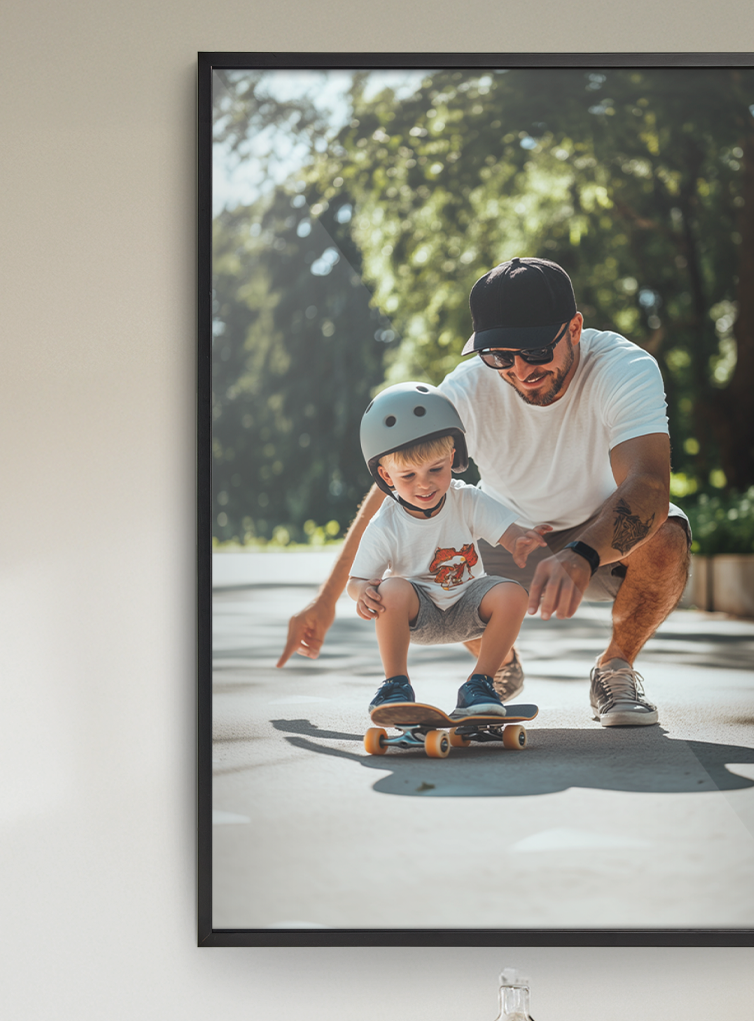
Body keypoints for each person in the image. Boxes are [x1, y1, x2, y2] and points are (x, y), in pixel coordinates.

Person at [279, 257, 691, 728]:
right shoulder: (466, 390)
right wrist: (326, 600)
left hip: (601, 535)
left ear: (575, 329)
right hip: (503, 535)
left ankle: (615, 667)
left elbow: (649, 485)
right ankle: (496, 668)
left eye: (536, 350)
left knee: (666, 537)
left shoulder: (623, 368)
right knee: (419, 543)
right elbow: (392, 494)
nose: (520, 369)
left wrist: (582, 553)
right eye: (499, 356)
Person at [342, 382, 548, 718]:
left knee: (512, 594)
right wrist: (362, 592)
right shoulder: (385, 524)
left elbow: (508, 532)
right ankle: (395, 685)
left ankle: (479, 684)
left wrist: (520, 541)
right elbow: (357, 581)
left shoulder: (466, 499)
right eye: (408, 475)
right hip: (418, 613)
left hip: (469, 605)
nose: (424, 484)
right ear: (386, 475)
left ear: (452, 458)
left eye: (435, 470)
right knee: (391, 588)